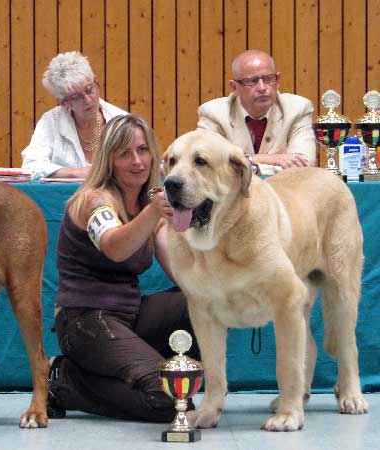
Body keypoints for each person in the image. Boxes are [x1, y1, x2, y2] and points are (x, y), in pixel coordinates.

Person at [47, 114, 200, 422]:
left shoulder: (149, 204)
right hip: (83, 320)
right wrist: (153, 211)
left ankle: (124, 374)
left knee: (198, 303)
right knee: (169, 400)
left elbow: (181, 274)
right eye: (124, 153)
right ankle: (63, 381)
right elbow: (115, 247)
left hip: (127, 316)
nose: (137, 161)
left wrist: (228, 290)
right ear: (108, 159)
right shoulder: (94, 200)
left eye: (143, 150)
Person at [197, 49, 317, 176]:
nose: (262, 88)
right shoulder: (213, 113)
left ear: (277, 80)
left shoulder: (298, 109)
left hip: (282, 192)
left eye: (268, 79)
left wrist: (253, 167)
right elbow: (205, 164)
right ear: (234, 87)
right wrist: (266, 159)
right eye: (251, 81)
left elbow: (303, 164)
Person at [21, 51, 127, 180]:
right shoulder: (51, 121)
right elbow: (30, 166)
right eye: (77, 97)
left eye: (89, 90)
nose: (88, 100)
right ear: (63, 103)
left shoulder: (122, 120)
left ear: (96, 82)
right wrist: (78, 173)